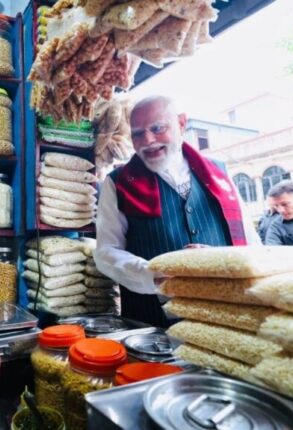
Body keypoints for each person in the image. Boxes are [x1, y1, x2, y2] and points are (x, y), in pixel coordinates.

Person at [94, 96, 260, 327]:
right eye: (138, 134)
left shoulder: (219, 173)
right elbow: (106, 251)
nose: (148, 141)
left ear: (181, 124)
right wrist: (153, 274)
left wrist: (220, 261)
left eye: (157, 129)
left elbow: (251, 243)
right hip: (151, 325)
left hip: (225, 318)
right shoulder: (118, 183)